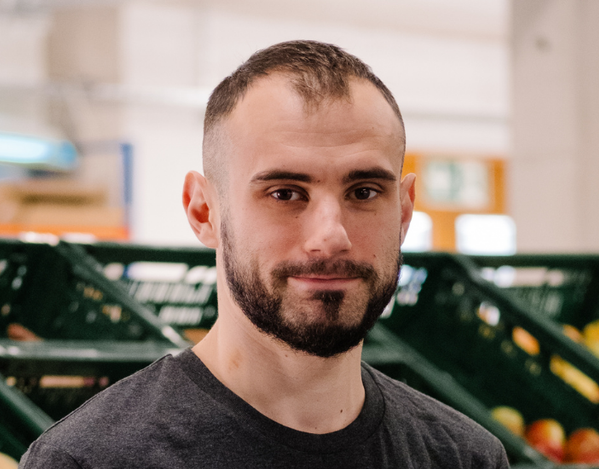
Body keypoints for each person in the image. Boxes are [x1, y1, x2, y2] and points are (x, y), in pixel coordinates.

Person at [20, 40, 509, 468]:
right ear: (203, 211)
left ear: (403, 212)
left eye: (363, 192)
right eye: (285, 193)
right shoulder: (91, 460)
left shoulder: (464, 457)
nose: (331, 236)